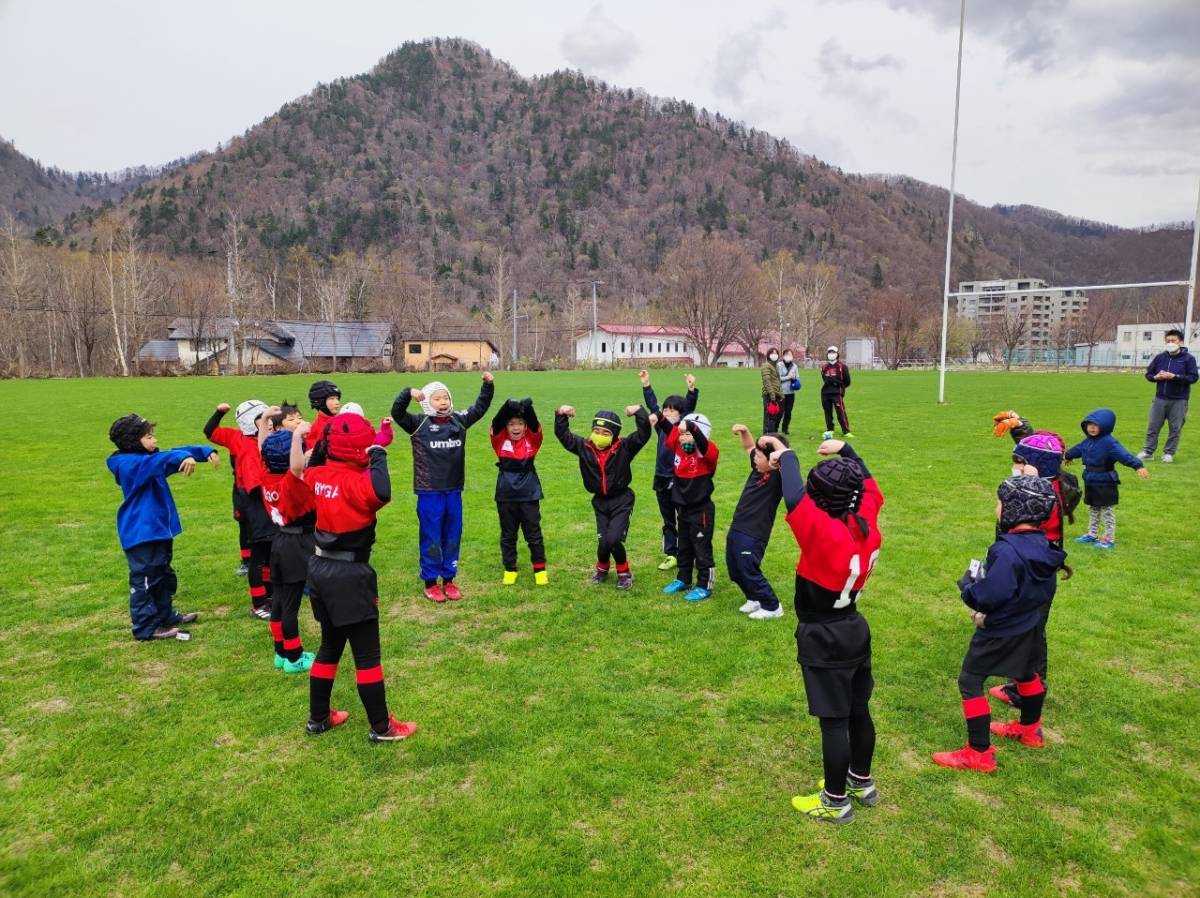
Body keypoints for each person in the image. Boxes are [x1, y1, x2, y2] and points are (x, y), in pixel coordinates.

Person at [774, 438, 884, 824]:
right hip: (854, 628)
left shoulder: (821, 531)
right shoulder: (866, 521)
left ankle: (835, 801)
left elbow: (793, 497)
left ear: (819, 500)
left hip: (824, 636)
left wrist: (786, 453)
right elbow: (870, 487)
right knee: (858, 709)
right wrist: (847, 452)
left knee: (834, 722)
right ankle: (861, 781)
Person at [932, 476, 1065, 772]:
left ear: (1015, 509)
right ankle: (1030, 730)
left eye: (1000, 503)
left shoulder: (1005, 550)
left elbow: (992, 595)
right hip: (1031, 624)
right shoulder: (1044, 543)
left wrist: (969, 588)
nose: (997, 507)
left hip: (1002, 629)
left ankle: (978, 752)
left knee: (970, 680)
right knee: (1026, 673)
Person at [301, 413, 416, 742]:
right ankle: (382, 727)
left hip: (319, 569)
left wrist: (325, 441)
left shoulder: (316, 475)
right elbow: (381, 491)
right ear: (360, 450)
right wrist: (378, 452)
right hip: (350, 575)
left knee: (330, 646)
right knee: (366, 656)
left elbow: (315, 462)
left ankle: (318, 718)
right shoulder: (358, 484)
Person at [107, 414, 218, 641]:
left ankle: (165, 615)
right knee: (145, 580)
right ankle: (146, 627)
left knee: (162, 574)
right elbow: (162, 459)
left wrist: (202, 452)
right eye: (149, 437)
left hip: (157, 531)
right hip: (141, 533)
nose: (154, 440)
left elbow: (168, 455)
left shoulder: (146, 459)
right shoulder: (131, 465)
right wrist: (184, 457)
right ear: (132, 441)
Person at [990, 432, 1077, 708]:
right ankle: (1019, 684)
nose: (1015, 466)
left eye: (1020, 462)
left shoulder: (1041, 496)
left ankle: (1026, 691)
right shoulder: (1048, 485)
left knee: (1031, 631)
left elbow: (1007, 518)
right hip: (1034, 564)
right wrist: (1021, 428)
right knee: (1024, 628)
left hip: (1032, 569)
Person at [391, 373, 494, 602]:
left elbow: (480, 407)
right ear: (427, 402)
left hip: (454, 490)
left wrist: (488, 385)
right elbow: (397, 412)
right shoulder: (418, 423)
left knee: (453, 535)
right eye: (436, 398)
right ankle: (430, 582)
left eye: (445, 397)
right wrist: (408, 393)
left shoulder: (459, 420)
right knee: (431, 536)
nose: (443, 402)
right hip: (429, 492)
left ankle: (449, 579)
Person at [555, 403, 653, 589]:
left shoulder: (624, 447)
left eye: (606, 433)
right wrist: (561, 414)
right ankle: (602, 569)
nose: (599, 435)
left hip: (622, 500)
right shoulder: (584, 446)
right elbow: (563, 435)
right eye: (596, 431)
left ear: (614, 435)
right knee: (603, 542)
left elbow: (644, 434)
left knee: (613, 539)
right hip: (600, 501)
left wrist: (639, 412)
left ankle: (624, 572)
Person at [205, 399, 275, 620]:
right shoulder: (245, 444)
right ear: (249, 422)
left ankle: (270, 595)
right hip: (255, 503)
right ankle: (259, 603)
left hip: (262, 502)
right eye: (262, 419)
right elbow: (256, 485)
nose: (269, 423)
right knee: (259, 556)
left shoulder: (262, 441)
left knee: (269, 554)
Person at [257, 427, 316, 673]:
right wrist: (297, 436)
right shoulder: (291, 482)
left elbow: (262, 449)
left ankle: (280, 652)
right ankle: (294, 657)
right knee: (290, 605)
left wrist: (265, 422)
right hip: (296, 545)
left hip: (279, 541)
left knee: (280, 600)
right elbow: (296, 467)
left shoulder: (266, 475)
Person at [639, 369, 699, 572]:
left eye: (672, 411)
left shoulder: (683, 430)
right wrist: (646, 385)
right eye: (666, 410)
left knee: (684, 518)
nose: (667, 413)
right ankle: (671, 554)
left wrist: (691, 390)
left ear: (681, 414)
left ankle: (687, 553)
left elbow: (689, 411)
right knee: (668, 520)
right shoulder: (661, 428)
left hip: (680, 480)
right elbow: (653, 407)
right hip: (661, 479)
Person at [726, 426, 788, 620]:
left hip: (754, 532)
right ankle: (754, 598)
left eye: (760, 456)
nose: (755, 458)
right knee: (735, 569)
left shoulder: (780, 475)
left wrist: (775, 444)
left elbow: (788, 457)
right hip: (738, 525)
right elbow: (749, 447)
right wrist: (744, 432)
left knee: (748, 568)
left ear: (774, 460)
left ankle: (772, 606)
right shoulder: (758, 468)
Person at [1065, 408, 1149, 550]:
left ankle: (1108, 539)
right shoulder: (1087, 441)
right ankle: (1092, 534)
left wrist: (1138, 466)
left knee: (1107, 510)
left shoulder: (1110, 443)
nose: (1092, 428)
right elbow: (1078, 449)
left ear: (1105, 426)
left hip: (1105, 481)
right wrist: (1068, 455)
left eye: (1096, 425)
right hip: (1090, 480)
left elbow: (1124, 455)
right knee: (1093, 508)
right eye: (1089, 425)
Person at [660, 413, 719, 602]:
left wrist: (691, 426)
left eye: (689, 434)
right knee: (684, 547)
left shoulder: (708, 452)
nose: (683, 438)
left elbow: (701, 441)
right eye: (682, 434)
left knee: (701, 549)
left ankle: (704, 585)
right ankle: (683, 579)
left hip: (701, 510)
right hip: (683, 508)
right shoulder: (679, 447)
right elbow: (667, 429)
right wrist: (657, 416)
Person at [489, 397, 548, 586]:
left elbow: (534, 424)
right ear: (506, 427)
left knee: (533, 534)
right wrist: (507, 405)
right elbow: (497, 422)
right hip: (506, 495)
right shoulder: (500, 440)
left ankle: (540, 570)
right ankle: (510, 569)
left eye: (520, 423)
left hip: (529, 493)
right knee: (508, 535)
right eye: (511, 424)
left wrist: (528, 408)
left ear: (525, 426)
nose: (516, 428)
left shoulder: (532, 439)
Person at [1138, 328, 1197, 463]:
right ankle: (1148, 452)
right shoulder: (1160, 358)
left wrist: (1175, 377)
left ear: (1180, 342)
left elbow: (1193, 377)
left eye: (1173, 340)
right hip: (1160, 398)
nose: (1170, 343)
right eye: (1168, 340)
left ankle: (1168, 453)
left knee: (1175, 428)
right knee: (1153, 426)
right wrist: (1155, 377)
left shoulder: (1188, 359)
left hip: (1179, 400)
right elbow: (1149, 374)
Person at [820, 346, 854, 439]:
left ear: (837, 354)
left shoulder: (842, 367)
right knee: (827, 412)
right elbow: (824, 379)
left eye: (833, 352)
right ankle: (830, 429)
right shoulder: (824, 367)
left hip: (837, 394)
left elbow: (847, 382)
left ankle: (846, 431)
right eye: (829, 352)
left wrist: (838, 385)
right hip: (825, 393)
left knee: (840, 412)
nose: (831, 354)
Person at [305, 380, 342, 451]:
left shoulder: (337, 420)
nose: (337, 402)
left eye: (337, 398)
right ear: (320, 401)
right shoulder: (320, 428)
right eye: (332, 399)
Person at [777, 349, 801, 435]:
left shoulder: (794, 366)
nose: (788, 356)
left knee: (788, 412)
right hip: (781, 393)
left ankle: (785, 429)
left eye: (790, 355)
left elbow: (797, 378)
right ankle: (775, 427)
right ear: (783, 356)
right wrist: (789, 377)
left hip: (791, 393)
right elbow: (778, 378)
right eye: (786, 354)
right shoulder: (779, 365)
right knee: (780, 412)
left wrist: (794, 378)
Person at [761, 348, 784, 433]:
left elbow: (778, 381)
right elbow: (767, 381)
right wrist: (772, 394)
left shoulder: (776, 366)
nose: (775, 355)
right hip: (769, 394)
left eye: (776, 353)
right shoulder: (766, 366)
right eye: (772, 353)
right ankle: (767, 433)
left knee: (778, 414)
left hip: (777, 394)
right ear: (768, 355)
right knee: (769, 415)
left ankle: (773, 432)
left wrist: (781, 394)